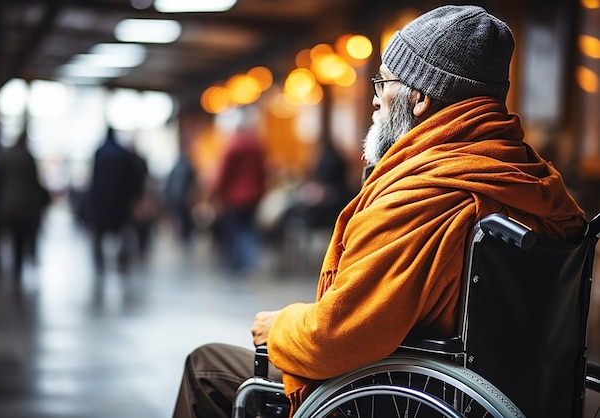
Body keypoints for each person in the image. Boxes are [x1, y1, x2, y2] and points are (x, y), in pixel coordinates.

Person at [171, 5, 587, 418]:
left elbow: (335, 338)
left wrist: (278, 327)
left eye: (383, 82)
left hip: (396, 395)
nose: (374, 98)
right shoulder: (529, 181)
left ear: (420, 97)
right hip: (500, 396)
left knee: (206, 367)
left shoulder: (424, 196)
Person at [0, 130, 50, 279]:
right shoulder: (28, 158)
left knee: (13, 235)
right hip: (25, 205)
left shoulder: (5, 156)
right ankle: (19, 268)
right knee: (21, 237)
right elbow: (35, 182)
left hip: (8, 204)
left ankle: (15, 268)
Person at [81, 126, 146, 271]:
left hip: (102, 201)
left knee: (99, 233)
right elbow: (133, 178)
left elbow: (94, 180)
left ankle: (100, 264)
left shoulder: (100, 153)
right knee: (123, 230)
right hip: (121, 201)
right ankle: (122, 260)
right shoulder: (123, 153)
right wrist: (137, 195)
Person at [211, 124, 266, 274]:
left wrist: (217, 193)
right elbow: (262, 172)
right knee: (248, 229)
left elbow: (224, 174)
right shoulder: (256, 147)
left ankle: (240, 264)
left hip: (234, 197)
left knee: (236, 231)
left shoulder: (233, 147)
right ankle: (250, 262)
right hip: (253, 195)